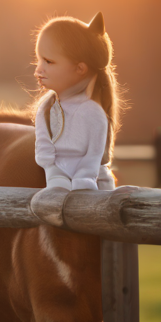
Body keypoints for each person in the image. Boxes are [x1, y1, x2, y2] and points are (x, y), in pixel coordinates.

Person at [32, 11, 123, 191]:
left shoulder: (93, 112)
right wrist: (51, 168)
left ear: (80, 68)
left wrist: (84, 177)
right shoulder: (46, 109)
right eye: (38, 60)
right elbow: (43, 143)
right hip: (56, 173)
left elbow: (94, 154)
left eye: (48, 61)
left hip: (93, 180)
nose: (38, 71)